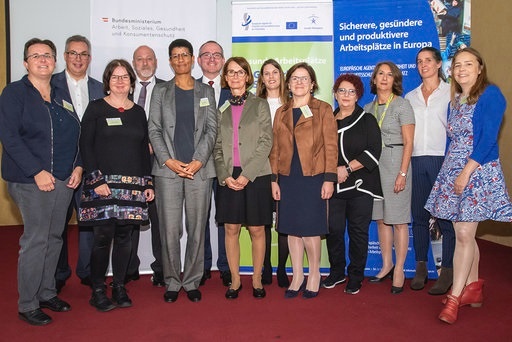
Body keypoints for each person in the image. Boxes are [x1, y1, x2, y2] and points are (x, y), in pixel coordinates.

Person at [425, 47, 512, 324]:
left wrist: (465, 173)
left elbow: (487, 139)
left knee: (463, 233)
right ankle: (473, 288)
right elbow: (452, 142)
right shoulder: (456, 101)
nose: (461, 69)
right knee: (466, 233)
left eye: (467, 64)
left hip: (478, 169)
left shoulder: (491, 95)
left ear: (479, 68)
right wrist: (448, 174)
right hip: (454, 168)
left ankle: (455, 297)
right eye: (457, 65)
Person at [0, 38, 81, 325]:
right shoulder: (14, 93)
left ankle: (47, 292)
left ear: (55, 61)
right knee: (35, 240)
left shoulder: (60, 94)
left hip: (63, 179)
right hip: (30, 180)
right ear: (26, 63)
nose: (43, 60)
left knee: (54, 237)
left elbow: (76, 133)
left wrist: (78, 165)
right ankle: (28, 303)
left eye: (47, 55)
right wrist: (36, 171)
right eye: (36, 56)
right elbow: (9, 137)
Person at [79, 59, 155, 312]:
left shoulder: (137, 112)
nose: (120, 81)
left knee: (125, 238)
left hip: (133, 186)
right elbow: (85, 145)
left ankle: (119, 286)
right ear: (107, 82)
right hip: (103, 185)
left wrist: (147, 182)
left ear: (132, 83)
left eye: (125, 77)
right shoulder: (96, 108)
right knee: (103, 237)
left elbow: (144, 151)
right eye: (115, 77)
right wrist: (96, 179)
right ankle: (98, 289)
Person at [148, 39, 217, 303]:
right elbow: (153, 128)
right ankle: (172, 281)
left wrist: (199, 160)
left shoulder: (205, 92)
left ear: (192, 59)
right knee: (170, 229)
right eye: (175, 56)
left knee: (197, 228)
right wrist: (169, 161)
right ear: (170, 61)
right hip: (168, 172)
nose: (180, 60)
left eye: (184, 55)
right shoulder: (160, 91)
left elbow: (211, 129)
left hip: (199, 170)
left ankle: (191, 280)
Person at [270, 62, 337, 299]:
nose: (299, 82)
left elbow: (331, 146)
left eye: (304, 78)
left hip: (314, 176)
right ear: (288, 84)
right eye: (295, 78)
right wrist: (273, 179)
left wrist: (329, 178)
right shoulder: (282, 112)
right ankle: (297, 275)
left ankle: (314, 274)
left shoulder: (323, 109)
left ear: (312, 83)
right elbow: (275, 148)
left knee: (310, 230)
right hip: (288, 178)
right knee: (291, 230)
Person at [214, 56, 273, 300]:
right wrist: (225, 175)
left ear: (248, 77)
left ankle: (257, 278)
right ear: (225, 78)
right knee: (231, 228)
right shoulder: (221, 109)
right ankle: (236, 280)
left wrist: (247, 175)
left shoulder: (260, 105)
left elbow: (266, 141)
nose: (235, 76)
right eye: (231, 72)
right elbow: (216, 146)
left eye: (240, 72)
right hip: (229, 175)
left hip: (256, 174)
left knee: (258, 229)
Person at [51, 34, 104, 293]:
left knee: (89, 223)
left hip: (91, 166)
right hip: (60, 168)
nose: (78, 58)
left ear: (90, 58)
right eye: (73, 53)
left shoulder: (98, 88)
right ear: (65, 56)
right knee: (58, 225)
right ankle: (59, 273)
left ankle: (86, 271)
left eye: (83, 54)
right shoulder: (50, 86)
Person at [324, 74, 383, 295]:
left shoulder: (367, 119)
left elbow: (373, 152)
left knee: (358, 232)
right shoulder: (327, 120)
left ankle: (356, 275)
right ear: (335, 94)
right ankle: (337, 272)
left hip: (360, 185)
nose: (346, 95)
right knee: (333, 230)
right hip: (334, 187)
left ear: (358, 95)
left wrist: (346, 168)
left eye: (351, 91)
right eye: (342, 91)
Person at [405, 47, 455, 294]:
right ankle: (421, 268)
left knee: (446, 218)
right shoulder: (410, 96)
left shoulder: (451, 93)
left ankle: (447, 271)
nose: (423, 65)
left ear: (438, 64)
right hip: (416, 160)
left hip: (442, 160)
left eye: (428, 60)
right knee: (419, 217)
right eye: (419, 61)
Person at [363, 61, 415, 294]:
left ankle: (400, 270)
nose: (384, 78)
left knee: (399, 220)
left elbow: (409, 142)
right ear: (374, 79)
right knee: (382, 219)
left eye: (390, 75)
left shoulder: (402, 105)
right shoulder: (367, 108)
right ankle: (386, 265)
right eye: (380, 74)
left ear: (395, 80)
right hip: (374, 166)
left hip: (396, 162)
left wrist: (402, 173)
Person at [125, 45, 166, 287]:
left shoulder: (166, 89)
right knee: (129, 218)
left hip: (159, 164)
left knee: (160, 220)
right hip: (129, 164)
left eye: (149, 58)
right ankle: (128, 267)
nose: (144, 63)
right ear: (133, 62)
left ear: (156, 62)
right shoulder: (121, 88)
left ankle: (161, 268)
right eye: (139, 59)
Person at [196, 40, 231, 287]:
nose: (211, 58)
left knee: (225, 216)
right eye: (206, 55)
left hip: (227, 163)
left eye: (216, 55)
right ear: (199, 60)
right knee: (200, 216)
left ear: (223, 60)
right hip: (198, 163)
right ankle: (203, 264)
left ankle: (226, 265)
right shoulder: (189, 88)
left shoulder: (234, 88)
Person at [255, 59, 290, 288]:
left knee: (285, 221)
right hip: (261, 168)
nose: (271, 77)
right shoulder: (254, 104)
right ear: (261, 78)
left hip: (287, 168)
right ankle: (265, 266)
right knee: (264, 220)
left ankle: (281, 268)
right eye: (266, 73)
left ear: (281, 75)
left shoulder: (292, 102)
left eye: (275, 72)